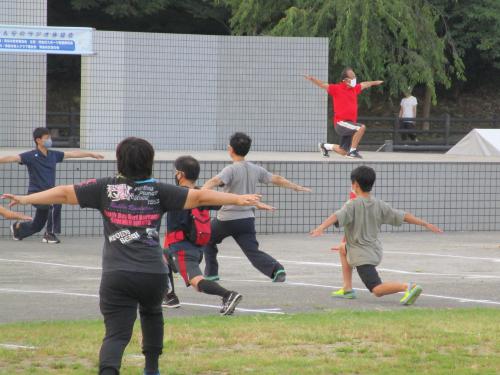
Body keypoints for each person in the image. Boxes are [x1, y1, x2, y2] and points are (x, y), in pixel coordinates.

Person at [2, 137, 268, 375]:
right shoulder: (160, 190)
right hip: (153, 273)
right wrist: (238, 198)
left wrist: (26, 200)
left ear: (120, 161)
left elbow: (62, 193)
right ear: (149, 162)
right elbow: (199, 197)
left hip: (116, 274)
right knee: (152, 314)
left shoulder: (104, 187)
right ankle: (151, 369)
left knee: (116, 333)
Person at [310, 166, 443, 305]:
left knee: (377, 290)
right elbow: (403, 216)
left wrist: (321, 227)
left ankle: (408, 287)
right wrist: (425, 224)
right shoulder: (379, 204)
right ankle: (347, 289)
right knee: (343, 248)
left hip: (362, 256)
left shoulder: (352, 204)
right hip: (374, 251)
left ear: (355, 184)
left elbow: (336, 216)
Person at [202, 132, 311, 283]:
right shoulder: (255, 169)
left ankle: (211, 273)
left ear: (230, 149)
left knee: (207, 238)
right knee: (252, 251)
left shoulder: (230, 169)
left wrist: (199, 192)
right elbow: (276, 179)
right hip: (246, 219)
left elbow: (215, 180)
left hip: (226, 219)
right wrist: (296, 187)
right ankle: (276, 269)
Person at [163, 155, 260, 315]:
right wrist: (245, 200)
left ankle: (228, 295)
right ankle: (170, 297)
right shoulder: (202, 195)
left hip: (183, 250)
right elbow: (225, 200)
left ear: (180, 174)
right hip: (194, 248)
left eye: (175, 172)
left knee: (197, 283)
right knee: (162, 257)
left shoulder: (175, 194)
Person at [0, 127, 104, 244]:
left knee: (37, 225)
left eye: (49, 137)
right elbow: (12, 158)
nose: (50, 140)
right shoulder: (31, 156)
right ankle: (49, 234)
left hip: (49, 194)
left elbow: (73, 153)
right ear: (38, 140)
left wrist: (90, 153)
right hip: (36, 194)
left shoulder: (53, 155)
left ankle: (18, 229)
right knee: (56, 202)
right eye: (47, 138)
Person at [304, 68, 383, 159]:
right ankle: (352, 152)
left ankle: (324, 146)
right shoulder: (336, 88)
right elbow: (323, 84)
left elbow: (364, 84)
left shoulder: (354, 89)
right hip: (341, 123)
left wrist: (375, 82)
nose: (355, 79)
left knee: (343, 151)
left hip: (349, 125)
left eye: (355, 76)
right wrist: (312, 79)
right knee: (361, 127)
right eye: (352, 77)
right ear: (345, 80)